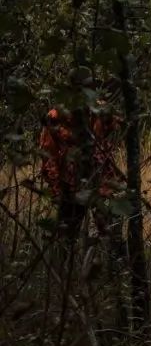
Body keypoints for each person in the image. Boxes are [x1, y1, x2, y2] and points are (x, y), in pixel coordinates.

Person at [40, 71, 120, 242]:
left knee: (110, 232)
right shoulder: (56, 117)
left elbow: (110, 129)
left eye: (87, 89)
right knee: (67, 235)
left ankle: (112, 255)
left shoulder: (99, 111)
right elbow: (49, 156)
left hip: (98, 180)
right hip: (71, 183)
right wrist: (57, 189)